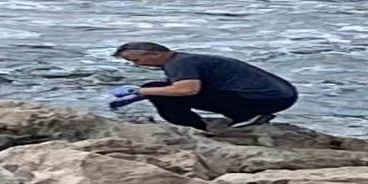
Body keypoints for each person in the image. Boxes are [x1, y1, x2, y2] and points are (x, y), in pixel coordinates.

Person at [110, 42, 298, 131]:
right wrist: (141, 95)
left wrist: (140, 91)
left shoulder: (180, 63)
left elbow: (187, 90)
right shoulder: (186, 59)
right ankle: (243, 114)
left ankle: (192, 128)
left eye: (136, 59)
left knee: (160, 92)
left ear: (155, 54)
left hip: (263, 100)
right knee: (157, 87)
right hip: (282, 95)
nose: (136, 64)